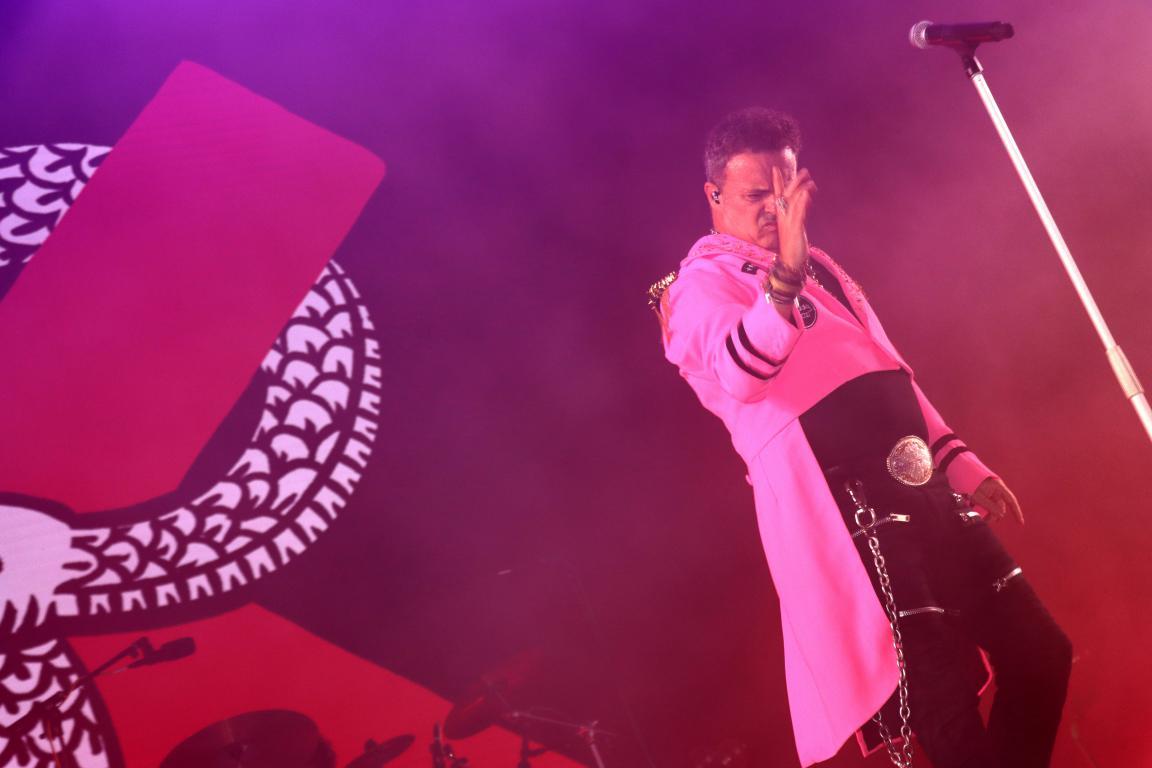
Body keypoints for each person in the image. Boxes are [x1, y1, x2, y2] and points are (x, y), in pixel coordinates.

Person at [651, 107, 1072, 768]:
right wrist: (785, 278)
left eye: (786, 192)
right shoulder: (700, 285)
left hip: (924, 489)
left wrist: (961, 461)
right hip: (849, 513)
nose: (776, 210)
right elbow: (740, 375)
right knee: (943, 702)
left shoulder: (818, 264)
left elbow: (885, 368)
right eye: (757, 195)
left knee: (1041, 651)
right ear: (714, 196)